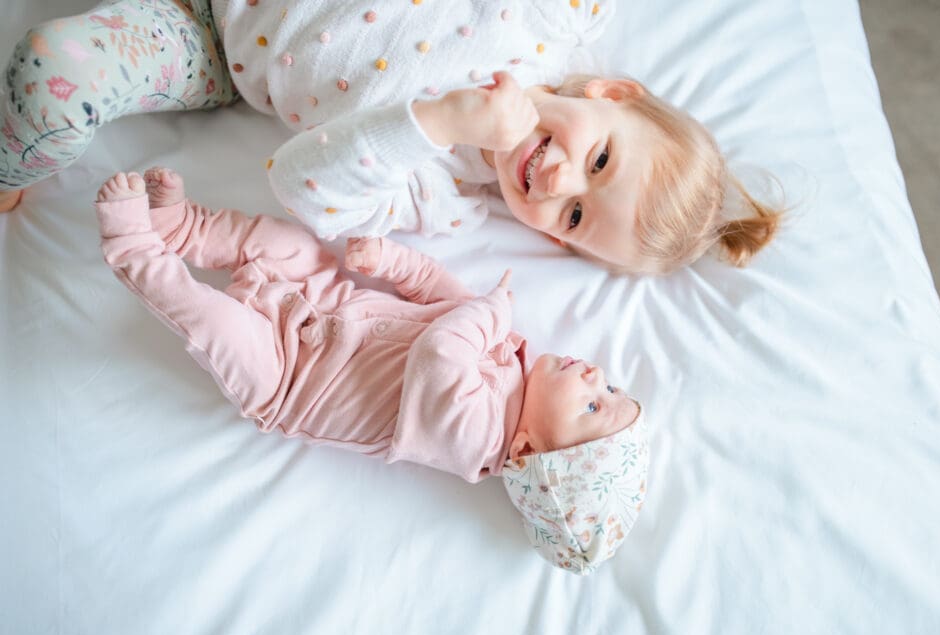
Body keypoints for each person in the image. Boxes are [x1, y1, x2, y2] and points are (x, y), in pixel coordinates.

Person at [93, 167, 650, 574]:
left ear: (527, 451)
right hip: (323, 296)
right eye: (611, 386)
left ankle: (134, 248)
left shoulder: (474, 440)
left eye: (593, 405)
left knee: (210, 320)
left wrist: (494, 307)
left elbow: (440, 352)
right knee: (285, 244)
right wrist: (389, 262)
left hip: (286, 378)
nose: (596, 376)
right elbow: (437, 293)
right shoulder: (507, 352)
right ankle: (181, 227)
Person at [5, 0, 782, 272]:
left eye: (575, 216)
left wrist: (439, 123)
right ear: (612, 93)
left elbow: (300, 182)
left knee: (51, 72)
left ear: (554, 243)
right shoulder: (551, 22)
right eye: (601, 158)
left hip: (209, 36)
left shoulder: (439, 193)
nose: (559, 180)